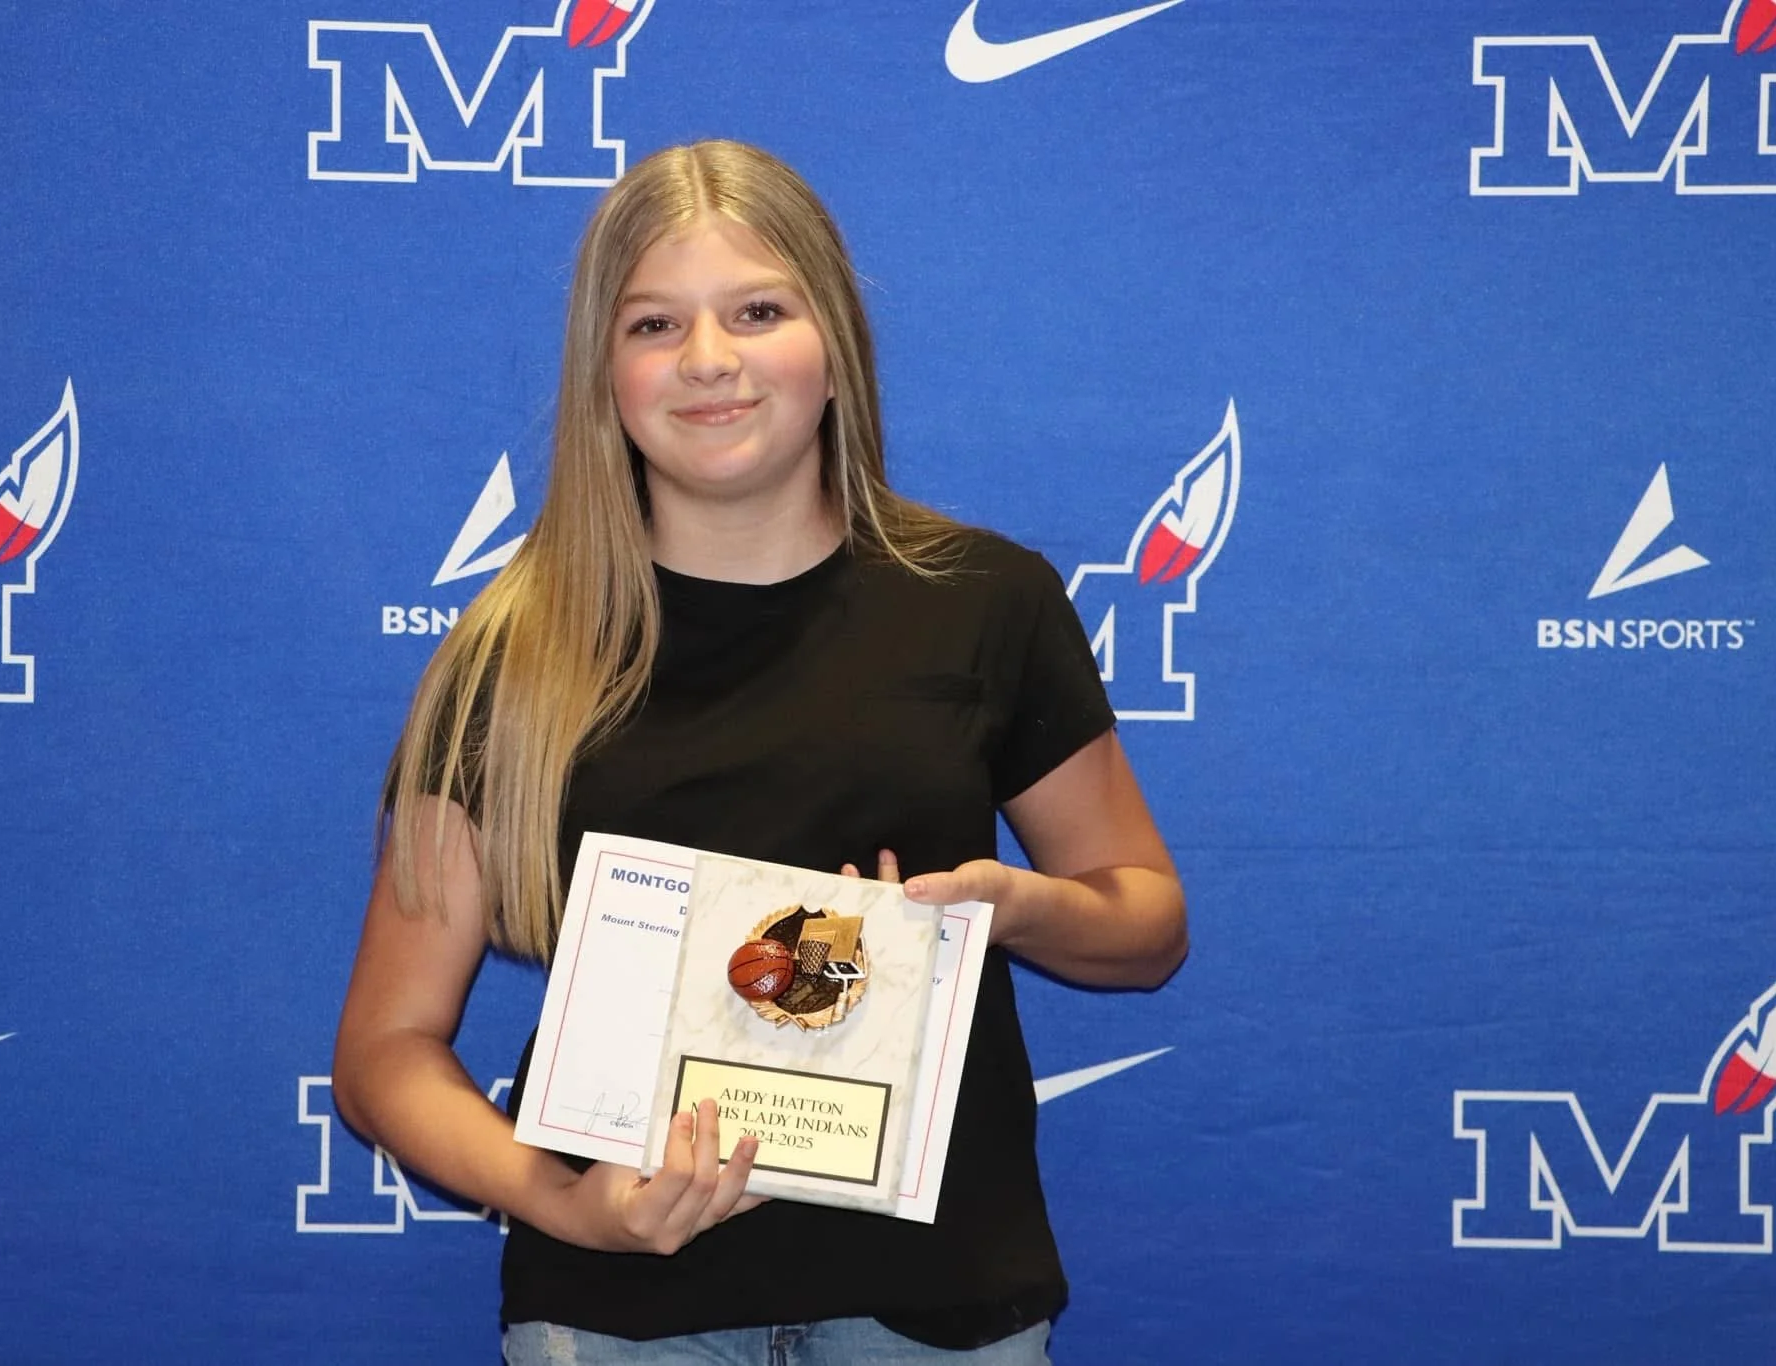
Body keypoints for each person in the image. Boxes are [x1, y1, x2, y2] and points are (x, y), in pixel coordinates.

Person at [333, 139, 1187, 1366]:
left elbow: (1147, 923)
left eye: (756, 311)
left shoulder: (985, 601)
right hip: (619, 1317)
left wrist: (1015, 909)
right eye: (653, 324)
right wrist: (563, 1200)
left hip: (940, 1304)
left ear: (833, 341)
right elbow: (383, 1049)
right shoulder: (510, 653)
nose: (707, 359)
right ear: (603, 373)